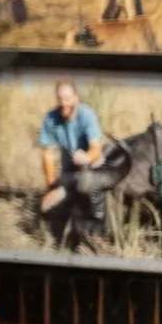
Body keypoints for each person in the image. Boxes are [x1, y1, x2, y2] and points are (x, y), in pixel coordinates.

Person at [39, 80, 108, 224]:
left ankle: (99, 217)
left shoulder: (87, 115)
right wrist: (51, 186)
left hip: (92, 164)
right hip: (70, 168)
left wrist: (87, 157)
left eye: (67, 98)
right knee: (46, 207)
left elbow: (96, 148)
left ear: (76, 98)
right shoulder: (50, 118)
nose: (63, 103)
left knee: (86, 184)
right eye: (60, 99)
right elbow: (48, 155)